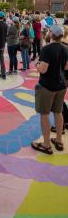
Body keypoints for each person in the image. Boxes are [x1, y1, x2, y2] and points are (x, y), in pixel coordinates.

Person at [31, 25, 68, 154]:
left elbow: (43, 69)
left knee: (45, 115)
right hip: (61, 86)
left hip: (47, 86)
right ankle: (59, 140)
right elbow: (66, 67)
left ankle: (46, 144)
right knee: (58, 112)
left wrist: (36, 63)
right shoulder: (66, 48)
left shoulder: (47, 49)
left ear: (51, 34)